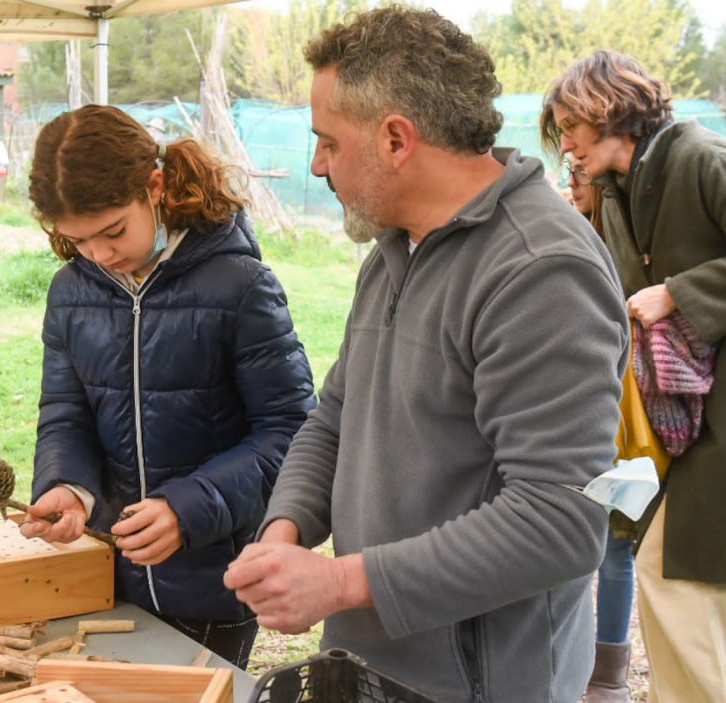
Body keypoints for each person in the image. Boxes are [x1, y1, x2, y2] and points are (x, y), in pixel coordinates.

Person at [223, 8, 629, 701]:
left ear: (395, 139)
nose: (317, 165)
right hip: (372, 662)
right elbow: (336, 416)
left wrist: (344, 580)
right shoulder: (392, 250)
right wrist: (285, 529)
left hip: (481, 683)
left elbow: (561, 520)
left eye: (328, 142)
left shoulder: (540, 270)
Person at [19, 104, 316, 668]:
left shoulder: (241, 286)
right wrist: (68, 485)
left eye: (112, 232)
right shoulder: (70, 292)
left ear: (154, 187)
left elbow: (292, 431)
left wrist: (190, 507)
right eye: (77, 241)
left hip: (214, 579)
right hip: (108, 571)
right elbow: (65, 412)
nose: (100, 255)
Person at [542, 50, 726, 703]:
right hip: (663, 415)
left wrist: (677, 292)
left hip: (714, 419)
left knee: (678, 577)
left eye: (570, 125)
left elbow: (655, 294)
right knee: (652, 557)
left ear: (607, 110)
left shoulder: (700, 156)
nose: (563, 141)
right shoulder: (617, 191)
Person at [564, 154, 640, 702]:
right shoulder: (565, 237)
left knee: (616, 547)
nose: (572, 187)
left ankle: (609, 672)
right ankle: (576, 661)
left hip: (628, 421)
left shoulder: (628, 243)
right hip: (578, 422)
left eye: (579, 178)